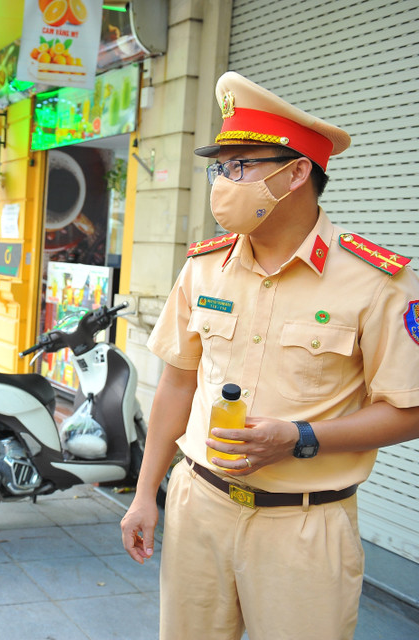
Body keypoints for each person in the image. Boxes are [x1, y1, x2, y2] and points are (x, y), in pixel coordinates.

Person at [119, 72, 419, 640]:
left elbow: (409, 410)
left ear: (296, 173)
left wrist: (300, 438)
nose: (223, 183)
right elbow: (178, 384)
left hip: (305, 525)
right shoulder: (204, 267)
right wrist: (143, 495)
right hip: (198, 506)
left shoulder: (380, 282)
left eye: (240, 166)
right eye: (219, 169)